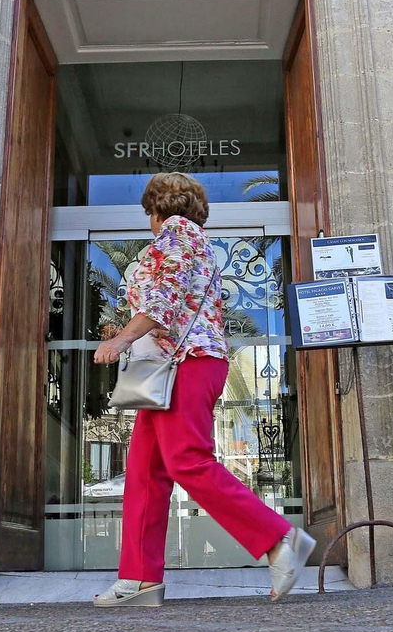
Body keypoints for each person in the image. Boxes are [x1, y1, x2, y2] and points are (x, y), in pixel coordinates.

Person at [91, 172, 315, 607]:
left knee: (187, 462)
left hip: (188, 364)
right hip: (178, 364)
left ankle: (279, 538)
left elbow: (163, 303)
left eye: (148, 213)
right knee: (144, 474)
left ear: (156, 210)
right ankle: (139, 580)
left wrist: (119, 340)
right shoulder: (196, 241)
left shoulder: (176, 236)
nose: (148, 221)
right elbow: (171, 303)